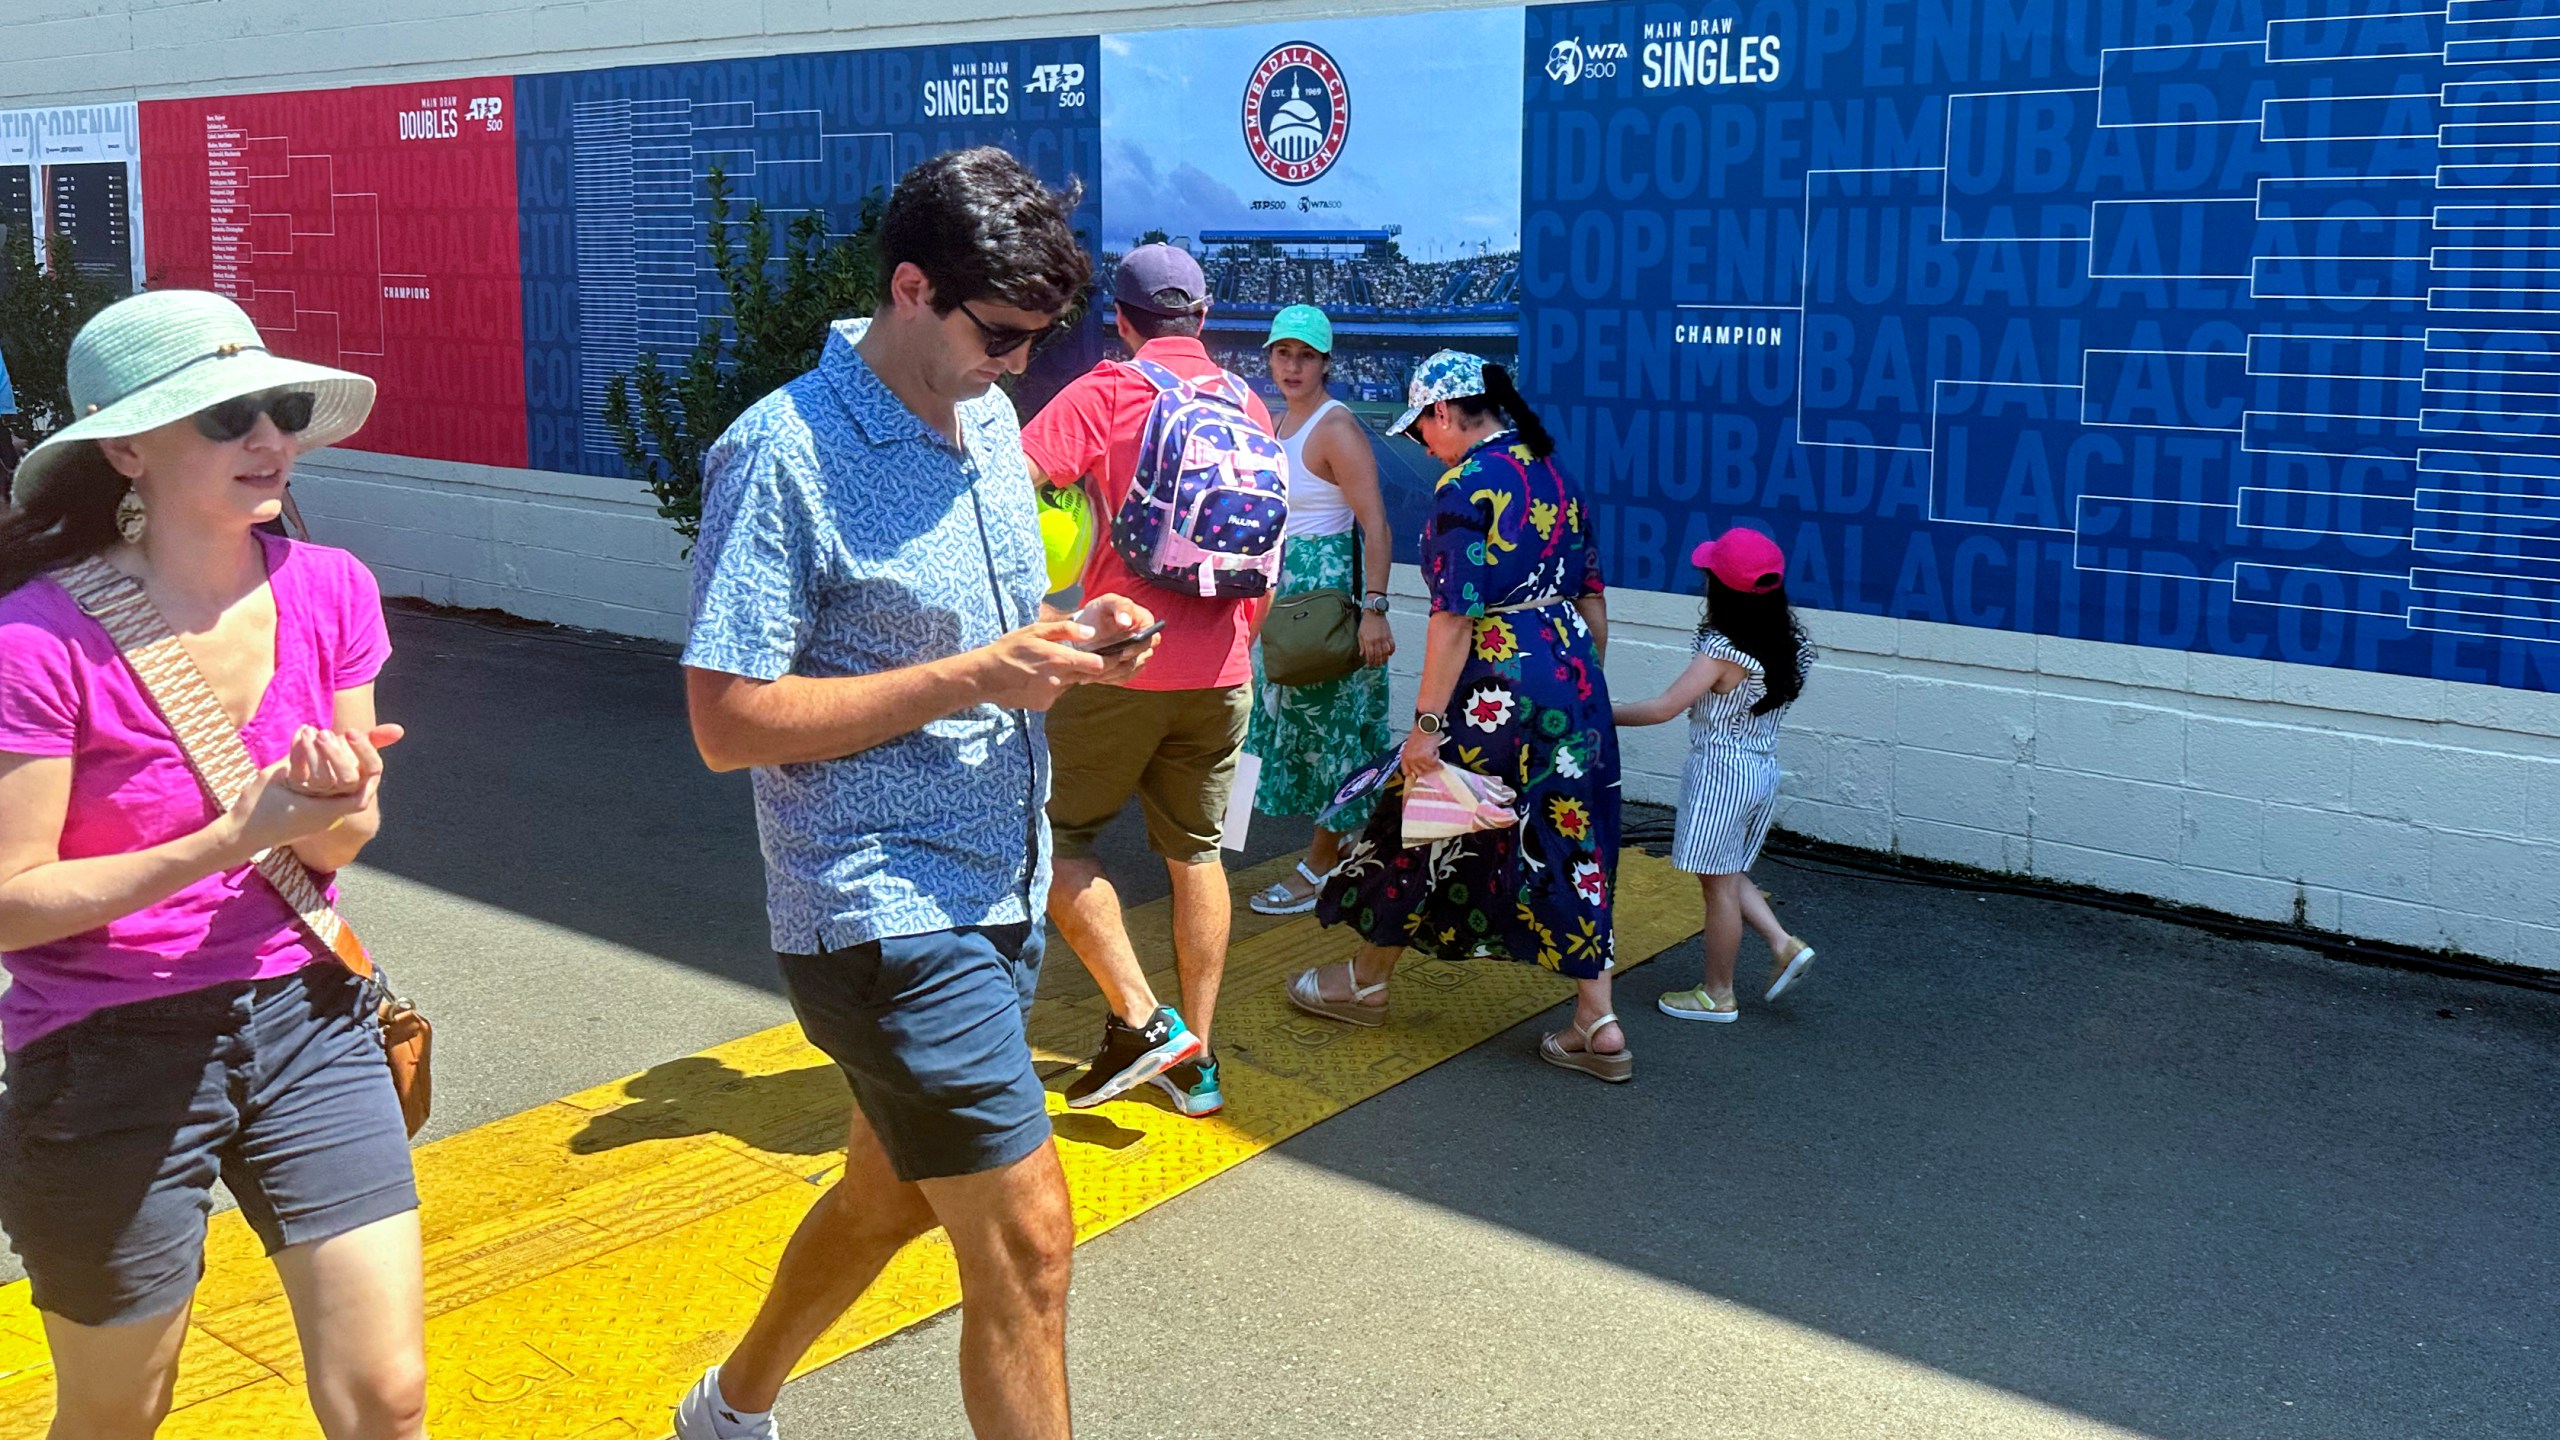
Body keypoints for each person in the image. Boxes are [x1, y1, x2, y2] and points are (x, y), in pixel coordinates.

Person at [672, 148, 1148, 1440]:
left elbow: (988, 640)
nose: (1018, 367)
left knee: (887, 1198)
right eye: (1000, 336)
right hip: (875, 904)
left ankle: (725, 1409)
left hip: (997, 881)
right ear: (909, 287)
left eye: (1040, 342)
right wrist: (975, 676)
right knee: (1031, 1245)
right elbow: (725, 723)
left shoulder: (986, 421)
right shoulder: (783, 455)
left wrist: (1068, 633)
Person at [0, 290, 424, 1438]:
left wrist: (333, 804)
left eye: (280, 409)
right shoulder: (36, 639)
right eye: (230, 416)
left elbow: (341, 842)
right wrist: (239, 832)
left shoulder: (331, 586)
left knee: (388, 1397)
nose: (272, 440)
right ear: (126, 447)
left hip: (311, 1017)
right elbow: (11, 906)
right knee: (115, 1419)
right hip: (104, 1050)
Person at [1285, 352, 1632, 1083]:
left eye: (1420, 431)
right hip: (1570, 672)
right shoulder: (1554, 474)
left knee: (1425, 819)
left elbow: (1454, 619)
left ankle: (1367, 982)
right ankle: (1597, 1020)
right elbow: (1594, 600)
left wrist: (1427, 727)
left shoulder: (1464, 484)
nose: (1421, 445)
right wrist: (1577, 687)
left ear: (1444, 413)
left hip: (1493, 685)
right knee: (1573, 833)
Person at [1022, 244, 1275, 1119]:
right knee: (1196, 854)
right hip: (1227, 669)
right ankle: (1195, 1066)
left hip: (1122, 660)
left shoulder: (1109, 389)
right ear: (1202, 318)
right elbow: (1264, 557)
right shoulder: (1249, 402)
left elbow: (1011, 485)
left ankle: (1143, 1020)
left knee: (1053, 841)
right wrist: (1240, 649)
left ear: (1122, 320)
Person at [1612, 530, 1820, 1021]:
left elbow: (1665, 708)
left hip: (1720, 773)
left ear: (1721, 589)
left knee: (1718, 887)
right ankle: (1782, 943)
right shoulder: (1793, 643)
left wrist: (1599, 712)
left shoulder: (1723, 651)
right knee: (1726, 871)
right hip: (1761, 770)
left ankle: (1717, 994)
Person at [1243, 305, 1396, 917]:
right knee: (1283, 728)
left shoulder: (1336, 429)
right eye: (1284, 354)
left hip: (1326, 605)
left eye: (1306, 356)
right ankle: (1337, 851)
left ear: (1326, 362)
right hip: (1286, 599)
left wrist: (1376, 611)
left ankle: (1320, 863)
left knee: (1332, 733)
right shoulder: (1281, 421)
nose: (1293, 366)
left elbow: (1377, 527)